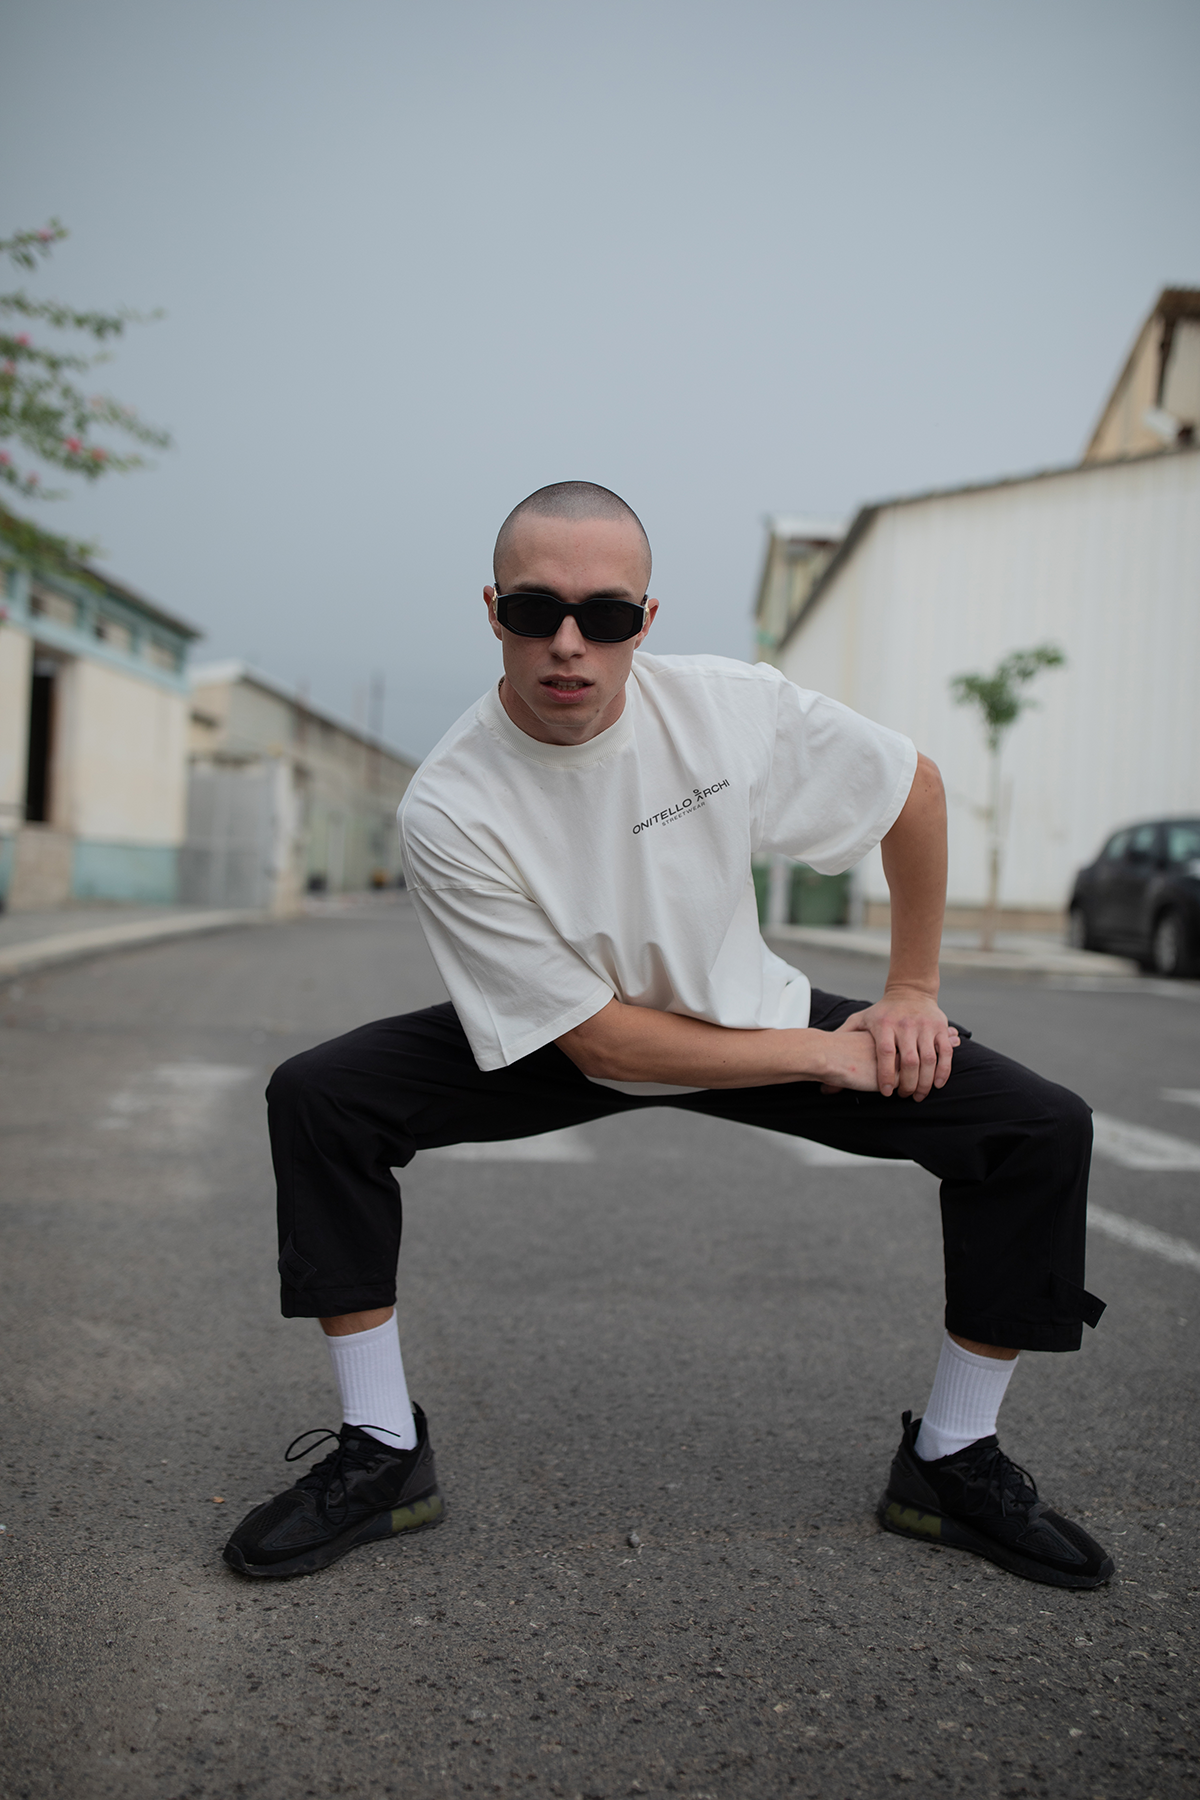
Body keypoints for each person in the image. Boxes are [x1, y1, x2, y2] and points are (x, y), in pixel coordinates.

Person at [223, 481, 1112, 1589]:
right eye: (534, 610)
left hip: (736, 1006)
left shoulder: (724, 710)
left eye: (603, 617)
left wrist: (913, 990)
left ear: (645, 622)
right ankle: (382, 1450)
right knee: (322, 1097)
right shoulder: (451, 803)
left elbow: (914, 790)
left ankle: (953, 1460)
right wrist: (830, 1054)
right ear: (490, 608)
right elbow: (602, 1047)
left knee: (1038, 1127)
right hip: (570, 1033)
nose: (566, 645)